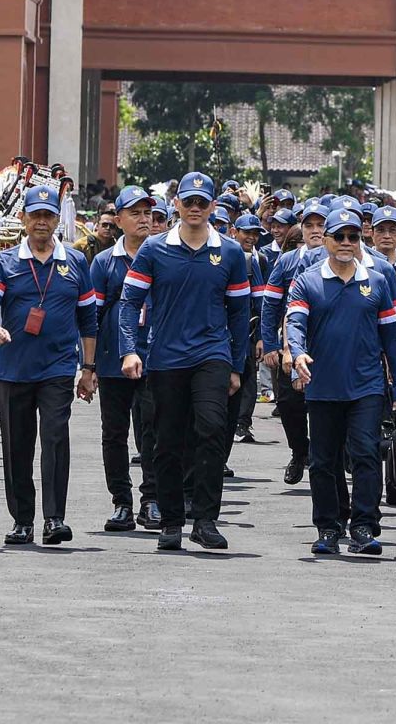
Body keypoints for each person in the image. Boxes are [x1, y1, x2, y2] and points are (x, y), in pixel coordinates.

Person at [119, 171, 251, 552]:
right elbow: (129, 303)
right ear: (176, 205)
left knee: (211, 429)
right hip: (165, 358)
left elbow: (240, 313)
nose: (194, 208)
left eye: (201, 202)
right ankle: (172, 521)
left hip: (212, 354)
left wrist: (236, 365)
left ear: (213, 206)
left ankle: (206, 518)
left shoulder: (229, 252)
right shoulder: (154, 249)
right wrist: (131, 349)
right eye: (188, 202)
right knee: (166, 440)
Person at [285, 208, 396, 556]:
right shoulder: (306, 281)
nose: (345, 243)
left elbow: (394, 340)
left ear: (360, 241)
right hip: (323, 385)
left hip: (367, 386)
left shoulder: (379, 282)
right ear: (325, 241)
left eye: (352, 237)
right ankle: (328, 527)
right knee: (323, 460)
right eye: (338, 236)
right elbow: (294, 322)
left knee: (366, 454)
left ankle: (364, 526)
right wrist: (297, 354)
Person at [0, 185, 99, 545]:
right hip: (15, 367)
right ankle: (22, 520)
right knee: (17, 445)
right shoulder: (6, 261)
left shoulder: (76, 262)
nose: (42, 223)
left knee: (55, 438)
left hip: (59, 368)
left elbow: (88, 319)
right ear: (24, 219)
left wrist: (88, 369)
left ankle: (54, 519)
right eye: (36, 216)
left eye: (49, 216)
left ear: (57, 221)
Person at [90, 186, 160, 533]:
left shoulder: (164, 256)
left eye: (148, 212)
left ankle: (152, 500)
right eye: (135, 213)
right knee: (114, 433)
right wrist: (88, 366)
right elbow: (93, 316)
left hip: (155, 356)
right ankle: (121, 501)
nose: (144, 218)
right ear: (118, 220)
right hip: (113, 358)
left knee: (153, 430)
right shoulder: (104, 262)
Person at [262, 199, 328, 484]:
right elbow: (271, 304)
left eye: (321, 225)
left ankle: (331, 455)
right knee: (289, 403)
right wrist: (270, 343)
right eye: (309, 225)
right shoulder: (288, 261)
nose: (315, 231)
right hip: (291, 342)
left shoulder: (343, 261)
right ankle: (299, 451)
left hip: (327, 344)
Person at [229, 214, 268, 446]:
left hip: (247, 330)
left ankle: (242, 423)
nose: (251, 238)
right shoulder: (222, 253)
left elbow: (261, 301)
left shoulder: (256, 261)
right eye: (247, 232)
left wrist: (262, 337)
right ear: (235, 231)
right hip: (220, 332)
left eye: (255, 234)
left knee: (247, 378)